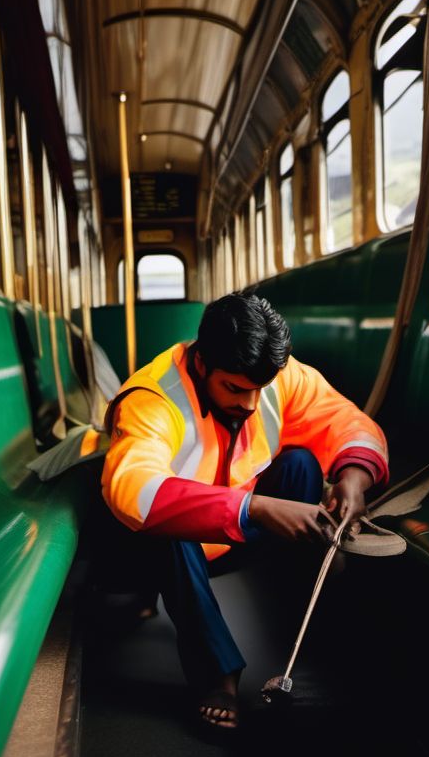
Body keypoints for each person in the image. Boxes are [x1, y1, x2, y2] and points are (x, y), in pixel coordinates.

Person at [97, 289, 388, 731]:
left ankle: (306, 614)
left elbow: (342, 419)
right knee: (169, 525)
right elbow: (134, 491)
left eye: (259, 390)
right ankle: (217, 675)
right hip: (160, 551)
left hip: (231, 534)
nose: (250, 404)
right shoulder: (153, 398)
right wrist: (257, 508)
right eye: (233, 388)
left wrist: (354, 475)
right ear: (201, 364)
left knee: (301, 464)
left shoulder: (271, 376)